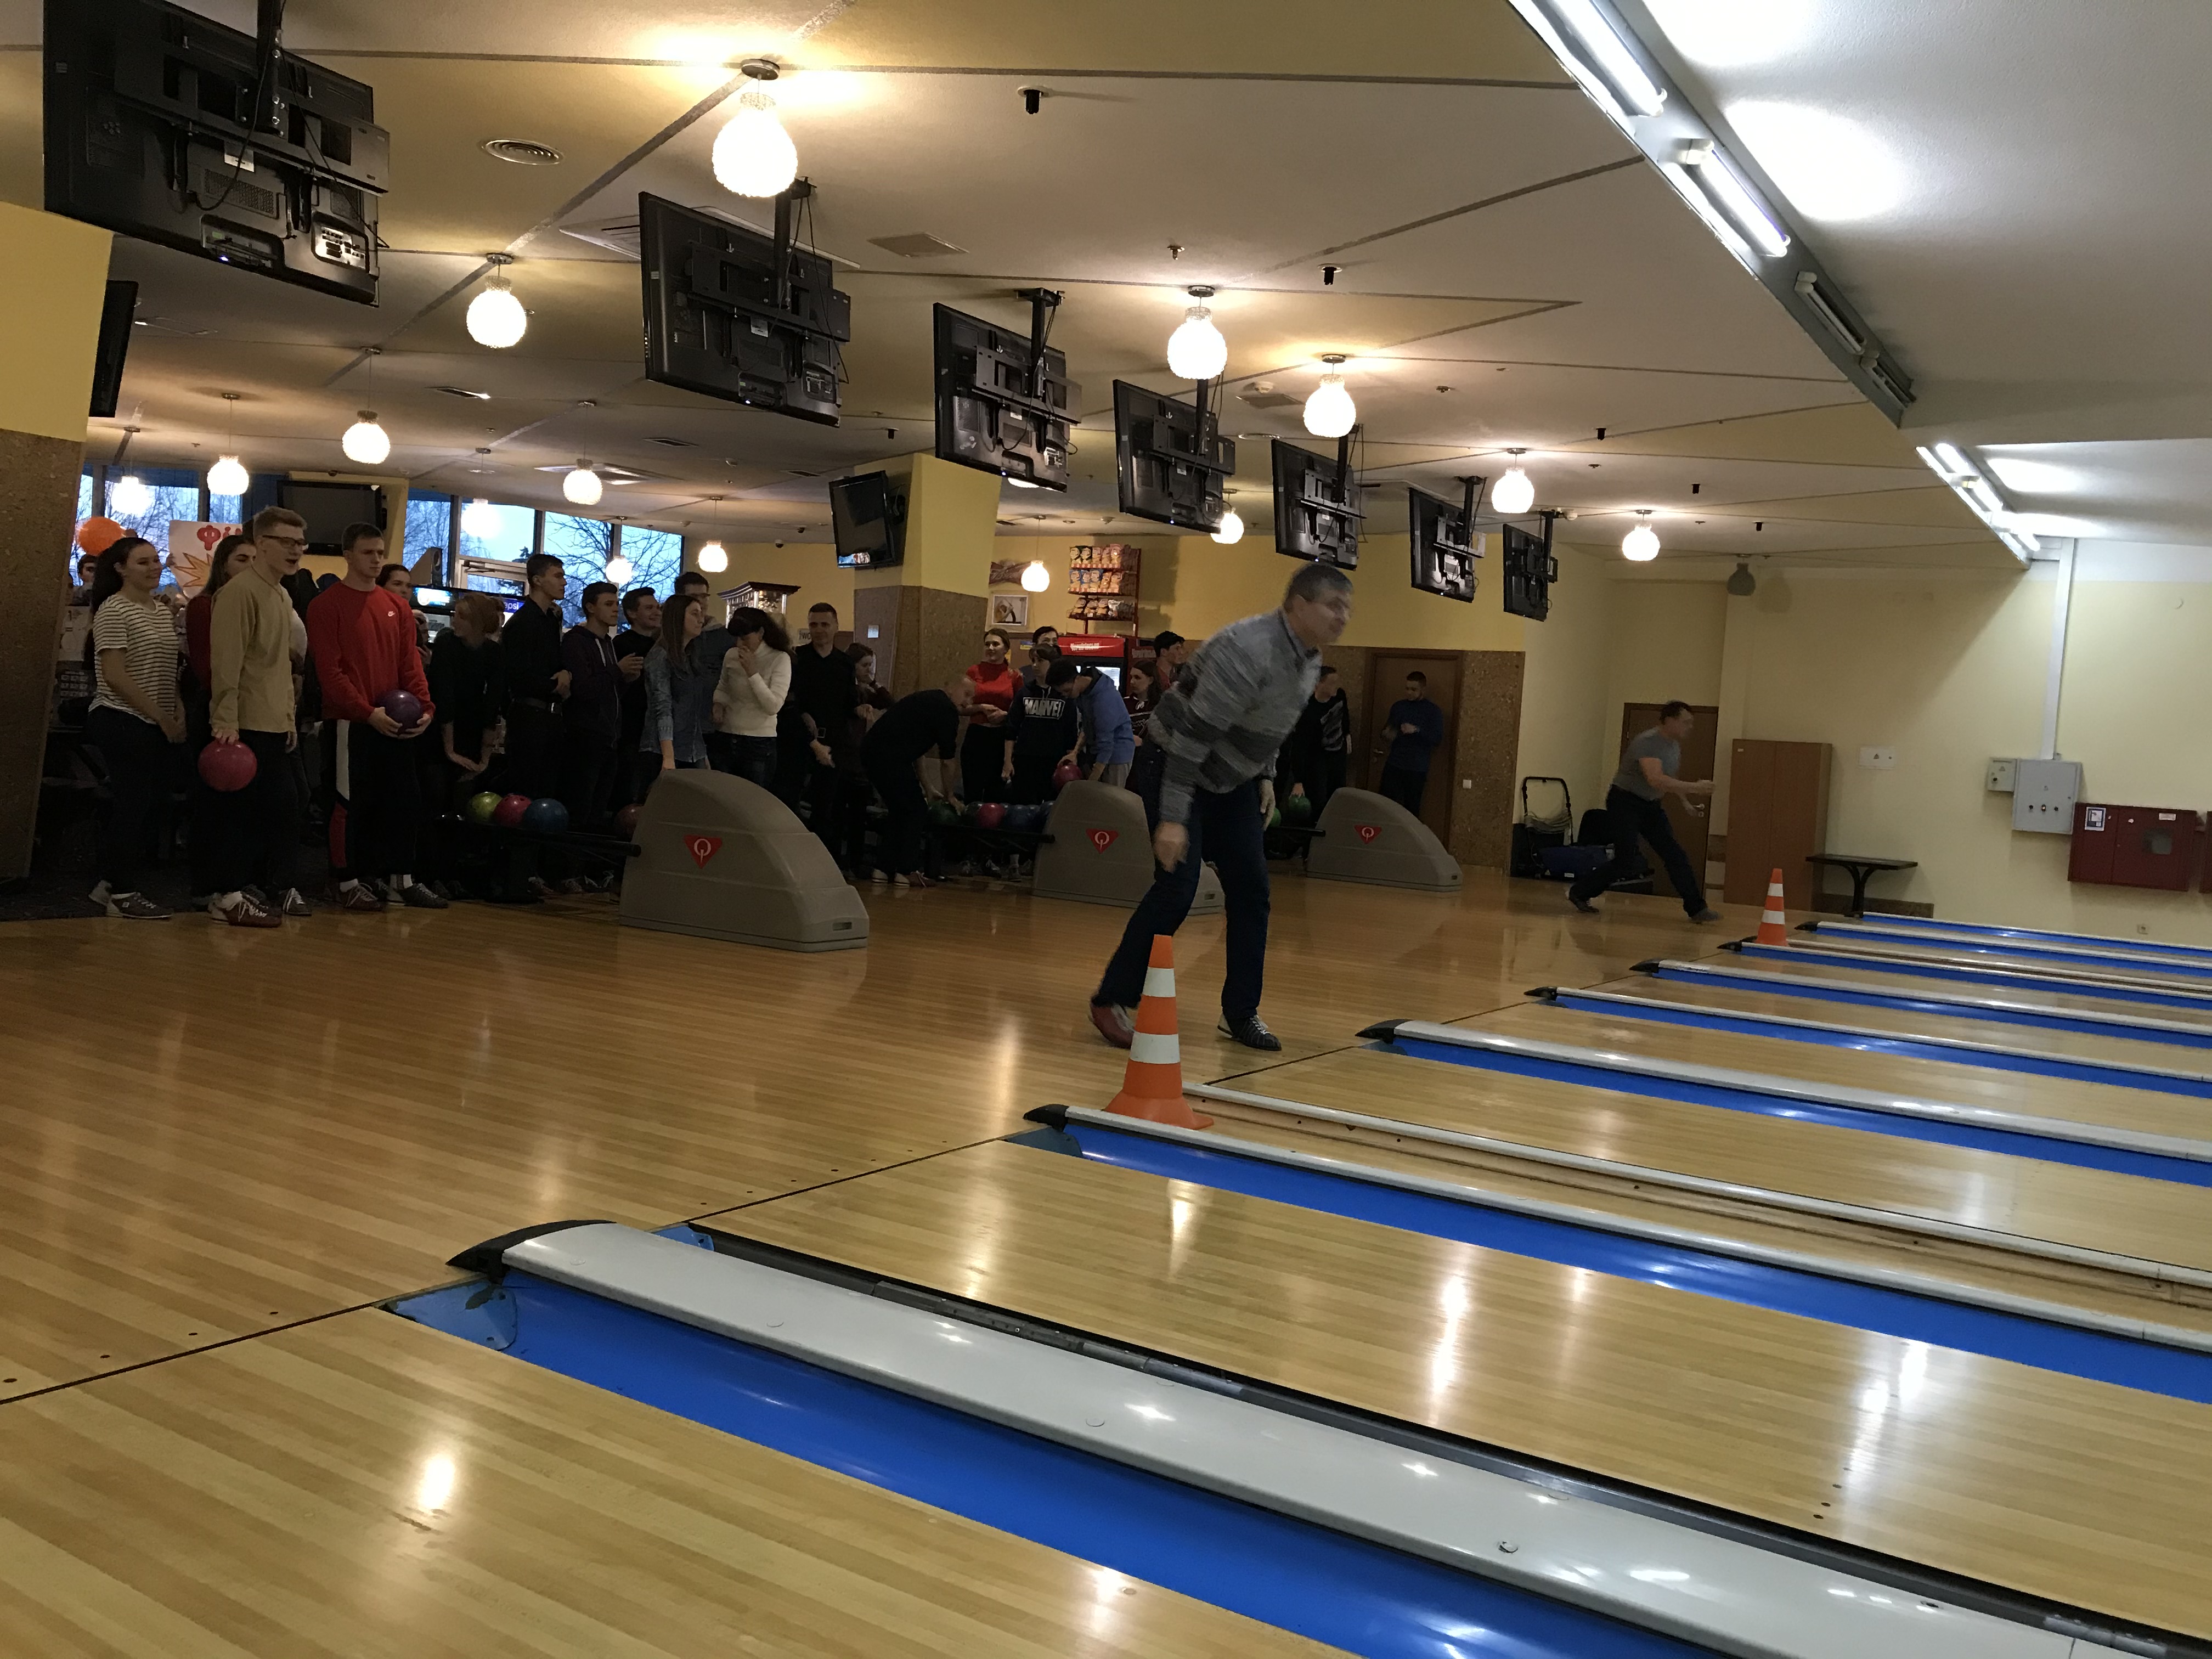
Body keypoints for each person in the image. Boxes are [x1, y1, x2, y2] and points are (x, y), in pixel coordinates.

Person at [1089, 562, 1353, 1053]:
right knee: (1177, 890)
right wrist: (1173, 818)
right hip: (1175, 762)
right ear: (1298, 605)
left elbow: (1269, 724)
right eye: (1333, 606)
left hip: (1232, 780)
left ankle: (1240, 1013)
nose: (1343, 617)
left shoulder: (1309, 658)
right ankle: (1111, 998)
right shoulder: (1247, 650)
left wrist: (1266, 775)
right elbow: (1191, 739)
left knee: (1252, 892)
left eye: (1347, 608)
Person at [308, 523, 442, 911]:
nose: (376, 559)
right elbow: (330, 672)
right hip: (350, 722)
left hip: (395, 720)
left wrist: (426, 708)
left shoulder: (396, 607)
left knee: (405, 799)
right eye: (368, 553)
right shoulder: (326, 605)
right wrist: (366, 713)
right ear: (348, 555)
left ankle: (401, 880)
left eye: (380, 553)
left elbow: (409, 664)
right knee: (349, 802)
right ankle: (345, 881)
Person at [205, 506, 311, 926]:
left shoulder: (281, 594)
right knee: (240, 813)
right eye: (287, 542)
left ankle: (267, 886)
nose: (296, 550)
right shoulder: (239, 593)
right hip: (243, 724)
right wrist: (224, 721)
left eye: (300, 543)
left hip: (272, 722)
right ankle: (226, 895)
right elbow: (226, 662)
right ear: (262, 544)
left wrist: (288, 718)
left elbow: (281, 666)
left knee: (285, 805)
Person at [81, 536, 183, 919]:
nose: (154, 567)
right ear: (121, 569)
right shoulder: (114, 610)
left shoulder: (160, 611)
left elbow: (167, 667)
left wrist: (176, 707)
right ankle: (122, 893)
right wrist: (160, 715)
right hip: (120, 716)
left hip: (155, 719)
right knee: (133, 804)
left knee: (151, 803)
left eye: (156, 560)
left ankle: (109, 883)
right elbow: (114, 675)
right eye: (143, 562)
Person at [1570, 700, 1722, 923]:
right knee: (1626, 859)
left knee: (1675, 855)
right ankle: (1580, 892)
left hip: (1650, 805)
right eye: (1685, 722)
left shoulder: (1674, 747)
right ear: (1669, 720)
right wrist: (1695, 788)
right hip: (1625, 802)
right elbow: (1655, 779)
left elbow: (1669, 780)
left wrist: (1686, 801)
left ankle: (1697, 909)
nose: (1690, 727)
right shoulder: (1648, 742)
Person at [183, 535, 256, 901]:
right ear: (224, 564)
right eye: (242, 559)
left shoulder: (262, 603)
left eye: (255, 560)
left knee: (242, 806)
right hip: (216, 709)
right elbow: (208, 668)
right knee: (214, 802)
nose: (250, 567)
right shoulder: (205, 605)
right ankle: (207, 885)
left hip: (251, 710)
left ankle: (236, 880)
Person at [861, 675, 974, 888]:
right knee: (916, 810)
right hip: (888, 757)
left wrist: (928, 787)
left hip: (873, 753)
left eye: (972, 698)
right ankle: (906, 871)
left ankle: (883, 869)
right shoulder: (947, 710)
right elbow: (948, 762)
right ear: (950, 688)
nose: (968, 703)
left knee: (900, 810)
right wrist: (950, 795)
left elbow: (916, 751)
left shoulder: (928, 700)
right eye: (966, 695)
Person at [787, 602, 857, 854]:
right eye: (814, 624)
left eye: (825, 624)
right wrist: (803, 715)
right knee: (792, 799)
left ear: (836, 626)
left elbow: (850, 704)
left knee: (827, 805)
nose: (819, 630)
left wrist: (862, 708)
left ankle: (825, 858)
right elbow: (790, 700)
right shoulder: (797, 658)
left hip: (834, 741)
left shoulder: (845, 663)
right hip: (800, 740)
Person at [559, 580, 625, 834]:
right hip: (585, 737)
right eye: (608, 604)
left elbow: (609, 689)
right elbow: (584, 689)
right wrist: (617, 672)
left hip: (609, 736)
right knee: (581, 806)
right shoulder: (576, 642)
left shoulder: (608, 642)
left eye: (616, 604)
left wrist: (623, 678)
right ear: (590, 607)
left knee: (598, 807)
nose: (615, 609)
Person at [502, 554, 569, 800]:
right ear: (538, 580)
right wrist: (556, 684)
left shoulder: (550, 620)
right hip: (530, 716)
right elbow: (518, 676)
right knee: (527, 789)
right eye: (558, 576)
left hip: (550, 716)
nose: (564, 582)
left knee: (547, 788)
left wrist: (565, 673)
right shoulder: (522, 623)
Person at [428, 590, 506, 799]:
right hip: (441, 729)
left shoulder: (494, 652)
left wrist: (485, 756)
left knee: (466, 796)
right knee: (438, 792)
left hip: (473, 728)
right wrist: (450, 750)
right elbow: (444, 697)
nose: (455, 621)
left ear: (478, 622)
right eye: (455, 615)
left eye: (462, 617)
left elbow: (493, 703)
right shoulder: (446, 644)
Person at [642, 590, 718, 786]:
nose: (701, 619)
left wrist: (701, 753)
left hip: (690, 748)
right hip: (662, 749)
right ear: (677, 617)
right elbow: (663, 707)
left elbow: (693, 711)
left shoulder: (690, 657)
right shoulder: (660, 656)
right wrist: (668, 757)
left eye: (701, 613)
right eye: (694, 614)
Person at [712, 606, 792, 788]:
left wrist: (752, 672)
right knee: (724, 795)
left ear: (761, 633)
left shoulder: (780, 659)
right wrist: (718, 705)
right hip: (727, 735)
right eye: (737, 639)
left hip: (759, 741)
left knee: (752, 798)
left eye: (745, 638)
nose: (740, 644)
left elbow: (773, 706)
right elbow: (723, 686)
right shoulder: (731, 655)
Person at [1002, 655, 1084, 803]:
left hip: (1055, 760)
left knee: (1051, 805)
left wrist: (1072, 757)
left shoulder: (1064, 693)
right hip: (1025, 759)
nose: (1035, 665)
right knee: (1023, 804)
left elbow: (1070, 731)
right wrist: (1008, 761)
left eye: (1040, 661)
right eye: (1033, 661)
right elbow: (1011, 729)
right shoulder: (1024, 692)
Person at [612, 587, 658, 808]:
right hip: (631, 725)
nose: (656, 612)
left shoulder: (661, 644)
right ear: (632, 613)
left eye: (657, 607)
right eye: (649, 608)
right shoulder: (622, 644)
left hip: (655, 724)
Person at [961, 629, 1020, 803]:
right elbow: (961, 708)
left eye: (996, 644)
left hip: (1001, 739)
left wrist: (1005, 715)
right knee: (972, 790)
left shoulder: (1014, 676)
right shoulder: (974, 672)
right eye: (987, 644)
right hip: (977, 736)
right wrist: (981, 708)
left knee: (995, 793)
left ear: (1006, 648)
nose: (991, 648)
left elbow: (1020, 713)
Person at [1376, 670, 1444, 816]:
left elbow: (1437, 738)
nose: (1409, 693)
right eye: (1407, 688)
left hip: (1417, 768)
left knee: (1411, 809)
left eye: (1414, 690)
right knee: (1385, 806)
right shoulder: (1399, 707)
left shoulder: (1433, 711)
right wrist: (1387, 733)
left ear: (1423, 690)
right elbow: (1388, 730)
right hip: (1394, 764)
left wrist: (1417, 730)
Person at [1285, 664, 1350, 820]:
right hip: (1318, 760)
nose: (1336, 687)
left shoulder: (1340, 696)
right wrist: (1298, 781)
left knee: (1338, 797)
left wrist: (1347, 734)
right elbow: (1300, 746)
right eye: (1332, 683)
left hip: (1338, 756)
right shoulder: (1308, 710)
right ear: (1319, 684)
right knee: (1319, 801)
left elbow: (1345, 716)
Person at [1081, 661, 1136, 788]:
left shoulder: (1105, 699)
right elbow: (1087, 726)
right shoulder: (1085, 695)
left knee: (1111, 797)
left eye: (1066, 691)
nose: (1065, 695)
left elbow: (1107, 743)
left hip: (1118, 755)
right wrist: (1075, 752)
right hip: (1098, 752)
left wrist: (1093, 779)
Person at [1020, 624, 1060, 689]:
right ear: (1035, 645)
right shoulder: (1025, 674)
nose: (1051, 644)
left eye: (1055, 641)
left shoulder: (1065, 671)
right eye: (1046, 641)